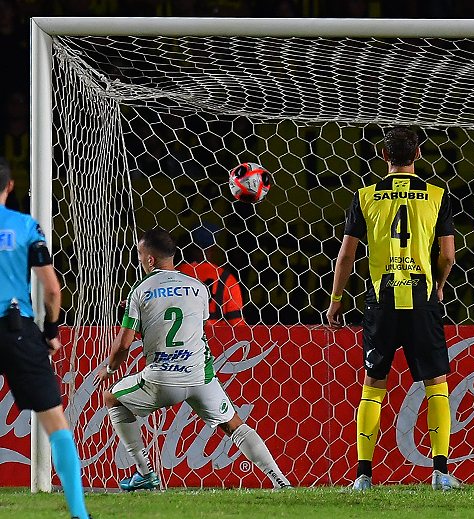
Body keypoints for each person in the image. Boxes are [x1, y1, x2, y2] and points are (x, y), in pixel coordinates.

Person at [96, 228, 290, 491]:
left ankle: (144, 473)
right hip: (199, 376)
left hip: (162, 378)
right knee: (234, 425)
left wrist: (109, 369)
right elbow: (191, 324)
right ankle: (280, 481)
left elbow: (123, 345)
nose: (140, 260)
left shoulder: (140, 290)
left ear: (150, 259)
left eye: (140, 255)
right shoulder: (198, 288)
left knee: (111, 397)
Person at [326, 127, 459, 491]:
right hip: (421, 299)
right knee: (436, 384)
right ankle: (440, 473)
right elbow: (448, 255)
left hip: (381, 300)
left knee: (373, 385)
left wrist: (336, 299)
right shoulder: (437, 195)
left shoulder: (365, 196)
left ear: (383, 156)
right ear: (418, 154)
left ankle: (363, 476)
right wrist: (439, 285)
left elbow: (347, 255)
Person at [0, 159, 91, 519]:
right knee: (55, 422)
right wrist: (50, 332)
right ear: (9, 187)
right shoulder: (25, 226)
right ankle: (79, 514)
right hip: (17, 329)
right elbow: (52, 289)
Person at [177, 224, 245, 325]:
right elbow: (237, 324)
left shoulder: (173, 274)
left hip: (180, 334)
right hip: (216, 334)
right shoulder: (226, 279)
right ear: (213, 248)